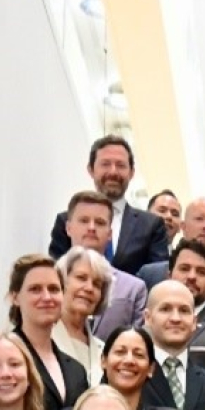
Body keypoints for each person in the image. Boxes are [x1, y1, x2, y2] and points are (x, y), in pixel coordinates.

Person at [47, 133, 169, 273]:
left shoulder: (151, 226)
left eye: (120, 165)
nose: (113, 172)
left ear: (131, 172)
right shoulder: (66, 220)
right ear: (91, 170)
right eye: (105, 164)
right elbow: (55, 273)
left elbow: (157, 277)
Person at [7, 253, 89, 410]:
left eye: (53, 289)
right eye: (35, 289)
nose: (47, 297)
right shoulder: (2, 354)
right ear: (15, 297)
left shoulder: (76, 370)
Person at [60, 190, 147, 338]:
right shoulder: (50, 279)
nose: (92, 228)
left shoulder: (133, 289)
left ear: (109, 233)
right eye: (84, 220)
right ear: (68, 228)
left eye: (100, 222)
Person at [143, 278, 205, 410]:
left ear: (194, 321)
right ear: (148, 318)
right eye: (165, 309)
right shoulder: (132, 377)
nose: (175, 318)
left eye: (184, 310)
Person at [54, 246, 112, 380]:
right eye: (81, 278)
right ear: (61, 281)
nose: (89, 288)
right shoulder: (41, 339)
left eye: (97, 284)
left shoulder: (103, 349)